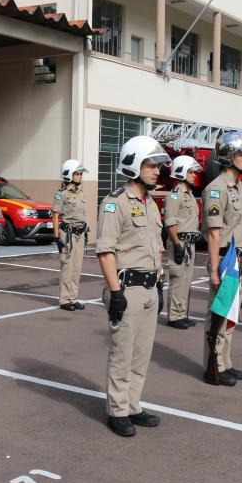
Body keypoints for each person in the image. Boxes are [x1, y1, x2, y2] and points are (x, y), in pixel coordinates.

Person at [96, 135, 168, 437]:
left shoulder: (151, 204)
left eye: (158, 166)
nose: (157, 171)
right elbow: (106, 251)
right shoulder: (115, 202)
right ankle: (117, 410)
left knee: (142, 353)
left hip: (150, 288)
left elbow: (157, 247)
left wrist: (160, 285)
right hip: (128, 289)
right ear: (134, 165)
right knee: (123, 353)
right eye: (151, 165)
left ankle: (133, 405)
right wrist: (115, 293)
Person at [201, 132, 242, 387]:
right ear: (228, 156)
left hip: (239, 260)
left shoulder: (240, 186)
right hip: (224, 260)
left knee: (231, 316)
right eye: (241, 154)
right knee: (219, 316)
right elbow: (214, 233)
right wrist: (213, 270)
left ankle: (226, 362)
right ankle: (214, 366)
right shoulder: (215, 189)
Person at [164, 155, 202, 329]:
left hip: (189, 242)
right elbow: (170, 223)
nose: (195, 175)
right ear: (181, 172)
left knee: (186, 280)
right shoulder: (174, 196)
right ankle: (174, 316)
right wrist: (177, 245)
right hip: (179, 242)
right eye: (191, 172)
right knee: (178, 278)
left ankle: (182, 313)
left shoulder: (189, 194)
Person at [52, 159, 88, 311]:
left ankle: (73, 298)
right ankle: (65, 300)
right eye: (77, 173)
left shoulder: (80, 192)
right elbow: (55, 215)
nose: (80, 176)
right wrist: (56, 238)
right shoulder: (62, 194)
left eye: (80, 174)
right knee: (67, 267)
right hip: (67, 235)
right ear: (69, 175)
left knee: (77, 268)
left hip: (80, 234)